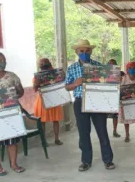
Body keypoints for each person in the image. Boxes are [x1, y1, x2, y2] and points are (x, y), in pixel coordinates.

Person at [65, 39, 115, 172]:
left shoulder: (99, 67)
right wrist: (76, 83)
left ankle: (108, 160)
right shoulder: (71, 68)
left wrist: (114, 79)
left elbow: (108, 85)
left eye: (87, 50)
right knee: (83, 133)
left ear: (91, 51)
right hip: (80, 101)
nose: (84, 53)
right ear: (76, 52)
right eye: (81, 51)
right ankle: (86, 161)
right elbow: (66, 87)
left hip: (97, 101)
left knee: (102, 131)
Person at [33, 58, 64, 146]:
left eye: (45, 63)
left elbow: (62, 84)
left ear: (49, 63)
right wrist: (36, 83)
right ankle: (44, 141)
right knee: (42, 121)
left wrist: (62, 75)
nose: (43, 64)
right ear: (39, 65)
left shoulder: (56, 73)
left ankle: (57, 139)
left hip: (54, 99)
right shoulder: (37, 76)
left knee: (56, 120)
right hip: (42, 100)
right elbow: (35, 89)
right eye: (41, 63)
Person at [107, 59, 121, 138]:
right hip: (106, 98)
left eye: (113, 64)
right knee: (102, 116)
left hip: (115, 97)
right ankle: (103, 131)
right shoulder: (103, 73)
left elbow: (124, 83)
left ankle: (114, 131)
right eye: (109, 64)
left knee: (115, 116)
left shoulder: (120, 73)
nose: (111, 65)